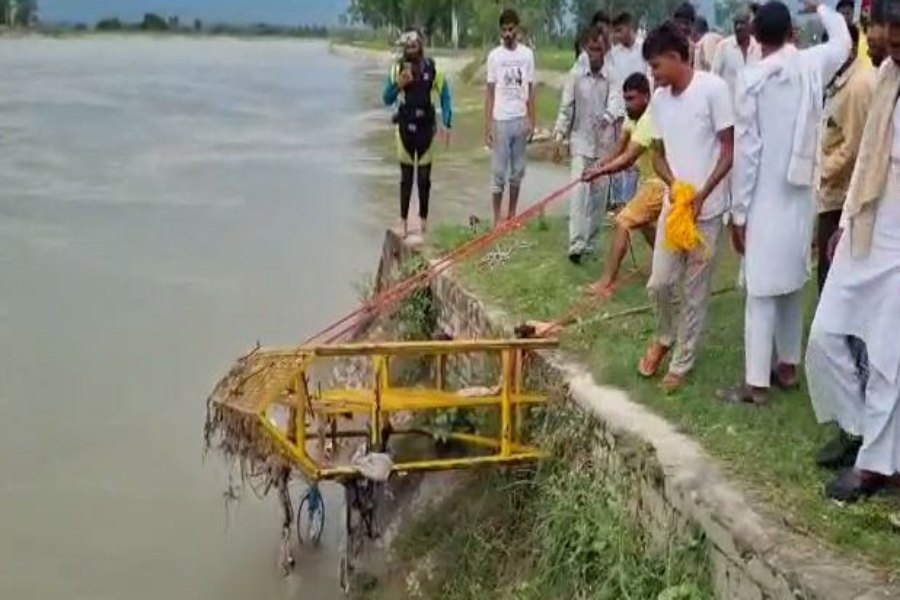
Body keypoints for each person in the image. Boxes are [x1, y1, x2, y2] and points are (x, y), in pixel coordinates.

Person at [720, 1, 851, 405]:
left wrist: (738, 213)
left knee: (760, 292)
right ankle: (788, 367)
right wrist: (824, 8)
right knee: (793, 283)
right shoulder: (812, 64)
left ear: (756, 37)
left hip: (764, 197)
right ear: (792, 31)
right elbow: (844, 41)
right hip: (801, 194)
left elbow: (748, 154)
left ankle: (756, 383)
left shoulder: (752, 79)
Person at [805, 0, 900, 503]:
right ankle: (863, 432)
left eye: (896, 41)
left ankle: (876, 466)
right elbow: (867, 157)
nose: (887, 47)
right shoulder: (885, 77)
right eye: (881, 36)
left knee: (888, 357)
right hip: (867, 224)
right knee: (825, 335)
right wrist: (844, 223)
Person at [637, 22, 734, 392]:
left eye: (657, 66)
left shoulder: (713, 90)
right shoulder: (660, 101)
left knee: (695, 293)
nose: (653, 75)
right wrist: (674, 186)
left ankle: (682, 361)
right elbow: (657, 155)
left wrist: (703, 194)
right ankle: (664, 337)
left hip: (705, 215)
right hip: (674, 208)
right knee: (659, 284)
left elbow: (728, 149)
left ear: (677, 58)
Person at [583, 73, 666, 296]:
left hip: (661, 183)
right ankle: (669, 267)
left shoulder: (649, 119)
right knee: (645, 224)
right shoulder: (633, 117)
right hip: (649, 182)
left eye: (631, 99)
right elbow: (619, 149)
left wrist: (600, 172)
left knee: (624, 221)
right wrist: (597, 166)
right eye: (625, 99)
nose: (627, 105)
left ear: (646, 98)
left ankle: (606, 283)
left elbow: (628, 158)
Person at [553, 24, 622, 263]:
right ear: (586, 48)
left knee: (598, 197)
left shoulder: (613, 75)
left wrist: (607, 118)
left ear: (605, 50)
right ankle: (576, 243)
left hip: (604, 145)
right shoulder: (575, 74)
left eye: (599, 50)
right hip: (580, 141)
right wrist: (558, 136)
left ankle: (591, 243)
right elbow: (566, 107)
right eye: (591, 49)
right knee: (578, 192)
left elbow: (615, 101)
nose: (594, 54)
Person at [817, 23, 876, 291]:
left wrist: (818, 171)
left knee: (832, 279)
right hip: (830, 195)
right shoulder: (837, 80)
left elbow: (856, 149)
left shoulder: (859, 86)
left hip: (843, 199)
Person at [382, 30, 452, 238]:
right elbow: (386, 98)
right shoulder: (397, 69)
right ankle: (403, 222)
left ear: (422, 44)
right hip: (404, 129)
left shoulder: (433, 69)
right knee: (406, 179)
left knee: (424, 180)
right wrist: (399, 85)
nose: (412, 45)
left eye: (415, 41)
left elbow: (446, 97)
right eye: (408, 42)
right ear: (404, 47)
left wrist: (447, 124)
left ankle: (423, 223)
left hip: (426, 130)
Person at [485, 9, 535, 227]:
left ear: (517, 29)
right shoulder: (494, 57)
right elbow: (489, 92)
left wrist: (532, 120)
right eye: (504, 30)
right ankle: (497, 219)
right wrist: (487, 125)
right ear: (500, 31)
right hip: (500, 119)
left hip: (520, 118)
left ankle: (512, 214)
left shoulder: (527, 55)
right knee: (498, 173)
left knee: (517, 172)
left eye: (511, 29)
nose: (507, 33)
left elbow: (531, 89)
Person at [712, 12, 762, 99]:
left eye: (742, 23)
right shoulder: (723, 46)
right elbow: (714, 76)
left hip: (752, 107)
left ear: (750, 26)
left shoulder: (758, 48)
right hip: (729, 106)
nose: (738, 27)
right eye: (736, 24)